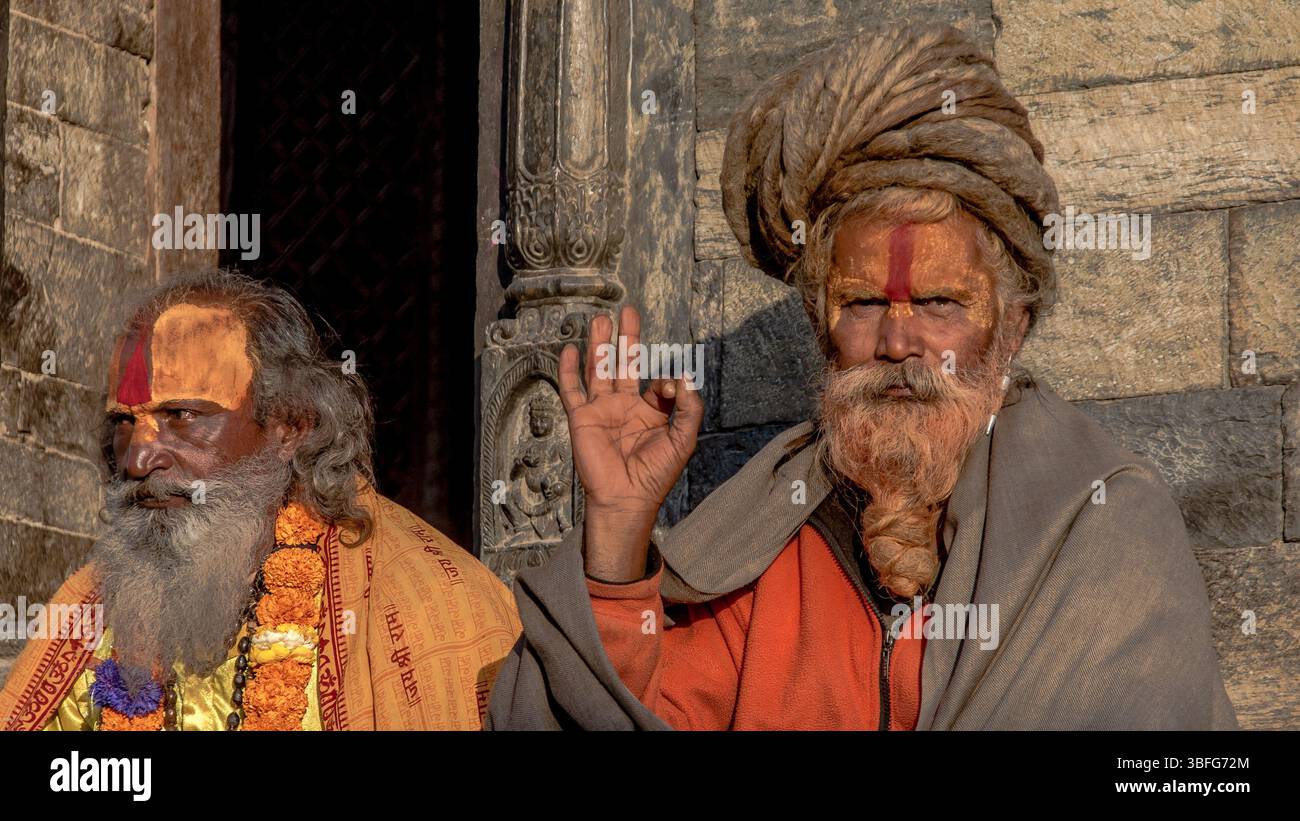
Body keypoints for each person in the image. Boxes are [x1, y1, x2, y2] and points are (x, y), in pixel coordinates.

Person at [487, 23, 1237, 730]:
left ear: (1011, 326)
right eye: (863, 303)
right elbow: (612, 716)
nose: (899, 340)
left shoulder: (1102, 525)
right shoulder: (770, 540)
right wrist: (619, 537)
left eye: (941, 302)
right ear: (821, 326)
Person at [0, 271, 520, 730]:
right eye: (123, 424)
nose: (138, 460)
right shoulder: (93, 608)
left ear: (289, 427)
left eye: (182, 416)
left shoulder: (421, 600)